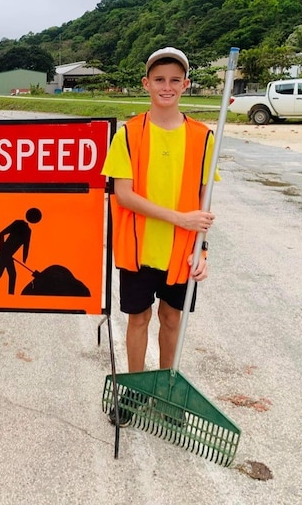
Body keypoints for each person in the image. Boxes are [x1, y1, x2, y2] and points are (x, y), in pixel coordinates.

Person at [101, 47, 217, 426]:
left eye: (174, 80)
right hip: (138, 250)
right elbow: (124, 194)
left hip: (182, 253)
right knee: (138, 319)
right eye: (159, 79)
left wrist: (203, 250)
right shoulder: (129, 134)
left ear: (185, 84)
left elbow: (205, 202)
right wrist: (179, 218)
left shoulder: (203, 138)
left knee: (171, 319)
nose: (166, 86)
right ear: (146, 83)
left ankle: (166, 391)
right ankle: (134, 389)